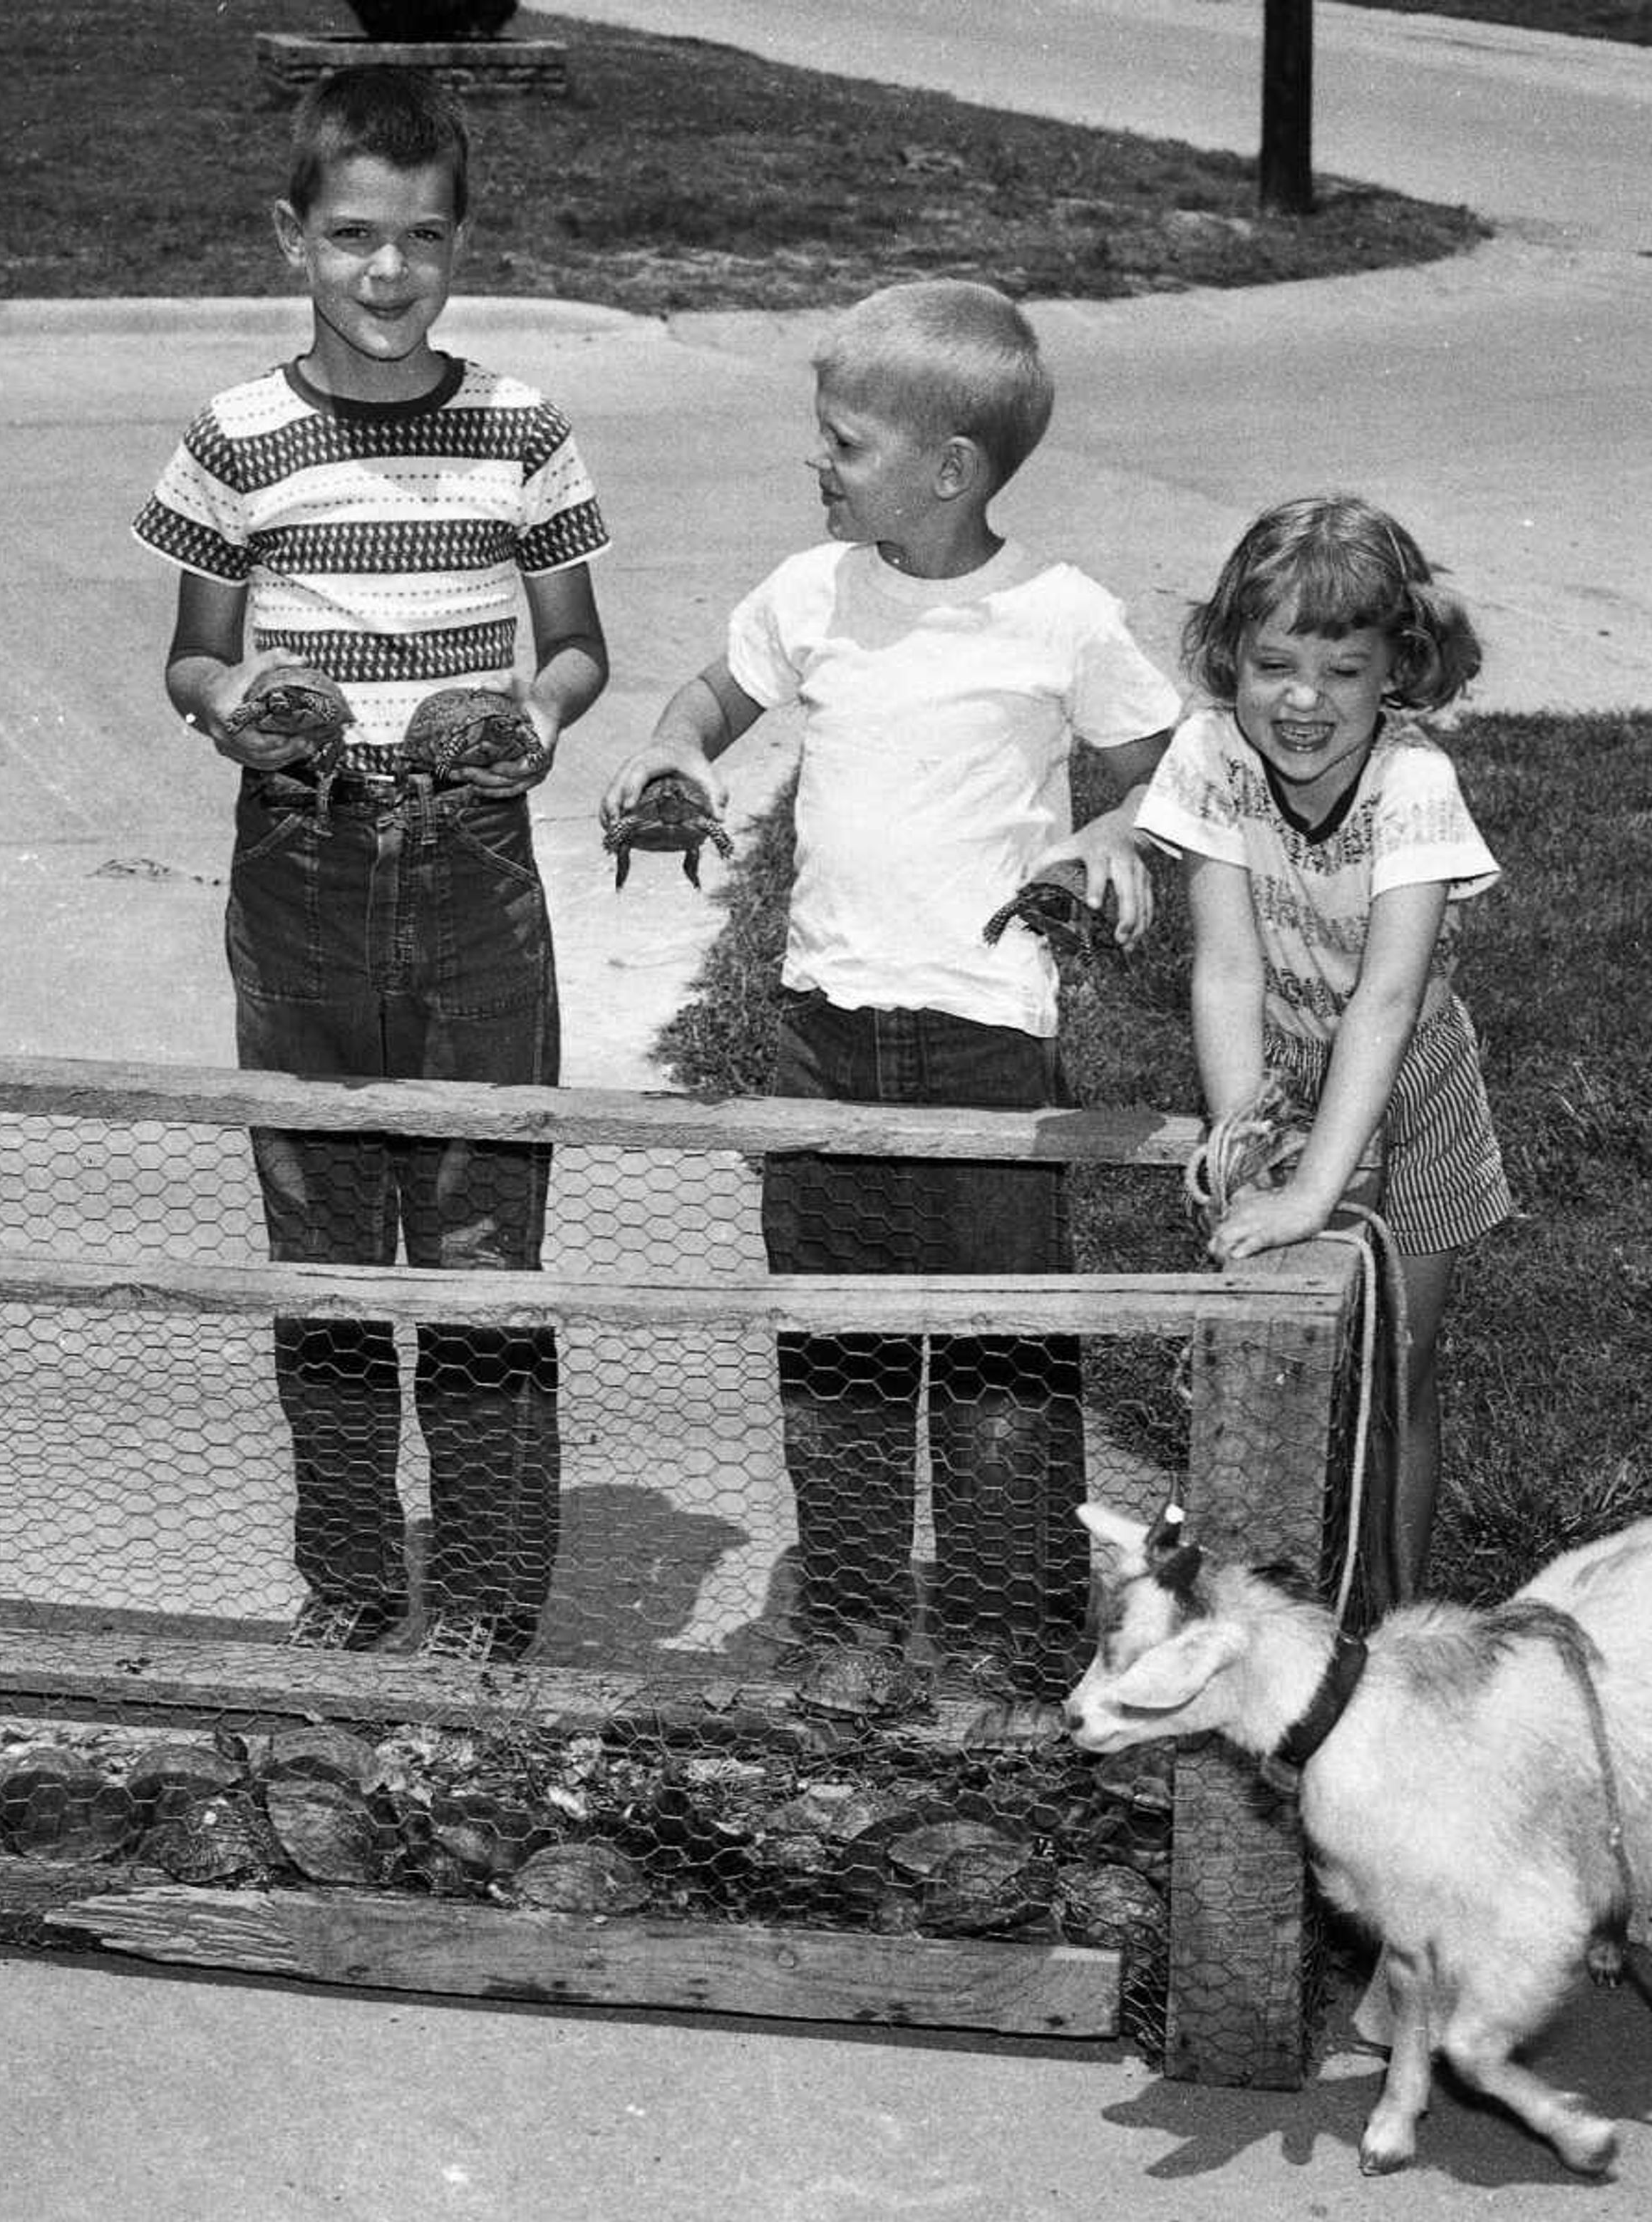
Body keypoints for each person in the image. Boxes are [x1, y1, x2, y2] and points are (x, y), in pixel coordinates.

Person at [600, 279, 1180, 1710]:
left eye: (845, 442)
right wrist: (676, 753)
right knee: (841, 1339)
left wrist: (1117, 829)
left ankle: (1005, 1628)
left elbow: (1174, 759)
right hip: (822, 1035)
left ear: (949, 468)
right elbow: (707, 698)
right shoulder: (813, 593)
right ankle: (851, 1620)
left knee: (998, 1353)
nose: (821, 462)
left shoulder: (1059, 615)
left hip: (987, 1042)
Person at [132, 66, 610, 1665]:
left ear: (462, 240)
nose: (387, 273)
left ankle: (486, 1592)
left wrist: (535, 719)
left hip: (475, 855)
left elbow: (579, 650)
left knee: (482, 1233)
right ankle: (348, 1573)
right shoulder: (236, 437)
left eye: (421, 239)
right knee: (320, 1229)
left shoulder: (522, 428)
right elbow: (194, 658)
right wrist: (242, 714)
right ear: (293, 238)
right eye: (352, 237)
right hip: (304, 847)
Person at [1137, 492, 1510, 1616]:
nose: (1304, 700)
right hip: (1289, 1078)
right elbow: (1227, 970)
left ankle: (1393, 1623)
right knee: (1272, 1359)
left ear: (1398, 669)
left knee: (1396, 1364)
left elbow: (1388, 1001)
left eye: (1343, 670)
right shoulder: (1210, 755)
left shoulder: (1414, 785)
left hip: (1415, 1088)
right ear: (1228, 659)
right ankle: (1269, 1611)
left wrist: (1320, 1192)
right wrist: (1251, 1136)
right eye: (1274, 663)